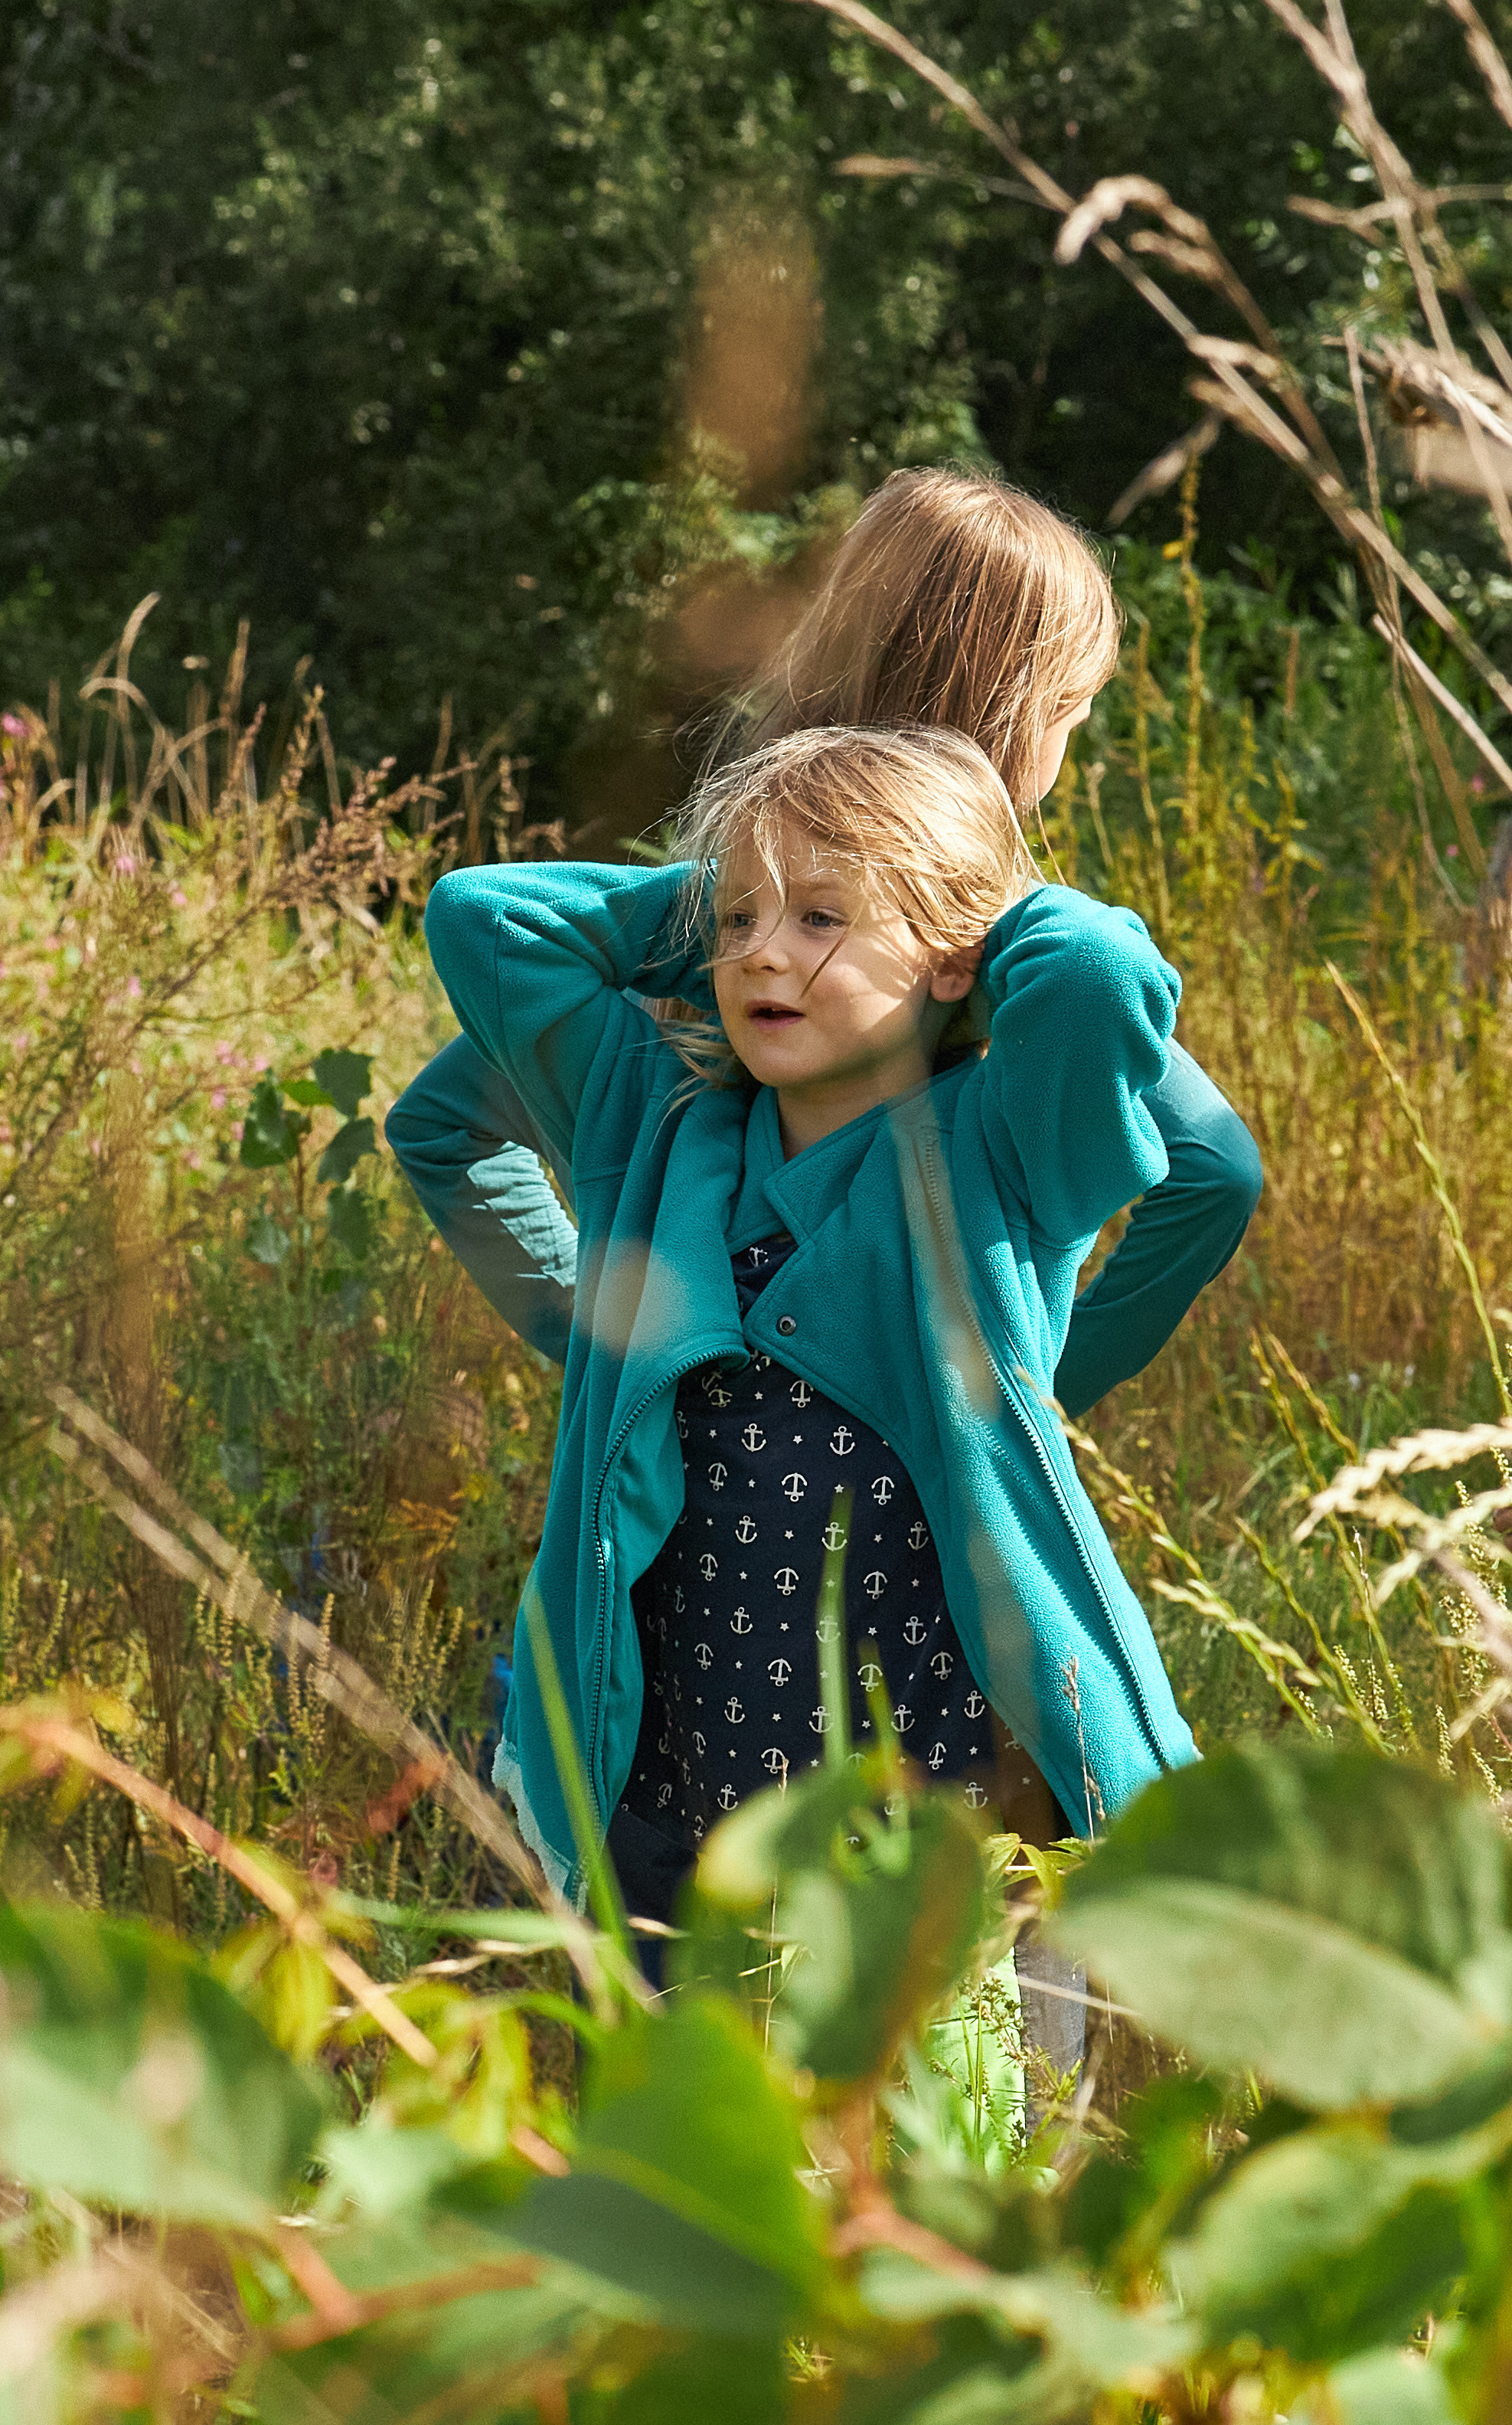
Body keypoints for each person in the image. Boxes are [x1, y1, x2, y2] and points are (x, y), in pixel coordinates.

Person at [420, 725, 1200, 1970]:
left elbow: (1101, 975)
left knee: (968, 2145)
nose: (762, 954)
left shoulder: (1004, 1150)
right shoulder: (651, 1123)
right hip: (684, 1810)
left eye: (822, 918)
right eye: (737, 925)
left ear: (956, 955)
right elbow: (481, 916)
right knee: (706, 2141)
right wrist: (749, 890)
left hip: (950, 1824)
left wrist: (978, 928)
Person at [389, 469, 1260, 1414]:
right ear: (1017, 717)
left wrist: (618, 1349)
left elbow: (444, 1123)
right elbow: (1215, 1172)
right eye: (1070, 716)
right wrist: (1033, 1396)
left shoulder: (707, 929)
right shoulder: (997, 952)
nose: (767, 949)